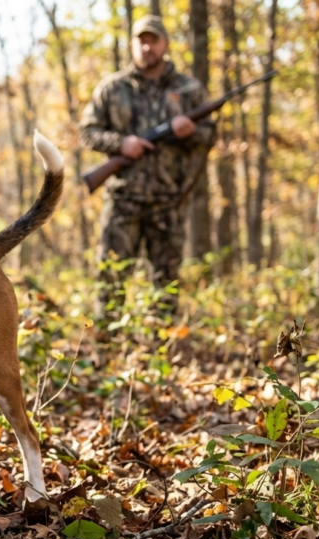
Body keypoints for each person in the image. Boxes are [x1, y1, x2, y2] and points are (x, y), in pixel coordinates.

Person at [79, 15, 216, 319]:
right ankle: (106, 350)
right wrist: (121, 143)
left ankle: (160, 355)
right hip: (122, 201)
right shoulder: (112, 88)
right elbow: (87, 132)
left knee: (164, 286)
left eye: (153, 39)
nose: (147, 46)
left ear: (165, 44)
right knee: (111, 280)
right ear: (132, 44)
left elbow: (210, 136)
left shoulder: (189, 89)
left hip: (169, 202)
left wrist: (191, 131)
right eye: (141, 39)